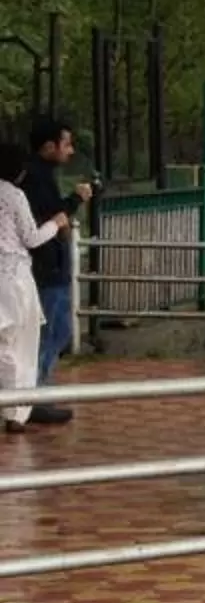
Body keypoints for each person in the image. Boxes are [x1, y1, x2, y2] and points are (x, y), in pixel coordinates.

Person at [0, 138, 73, 434]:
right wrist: (56, 223)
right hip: (15, 276)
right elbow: (31, 238)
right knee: (23, 344)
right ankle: (17, 411)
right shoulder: (14, 195)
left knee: (4, 343)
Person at [20, 119, 89, 424]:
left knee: (54, 329)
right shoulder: (35, 179)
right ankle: (34, 394)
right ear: (49, 146)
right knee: (52, 330)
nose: (71, 150)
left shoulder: (39, 176)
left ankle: (36, 390)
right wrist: (76, 199)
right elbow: (53, 218)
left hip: (47, 264)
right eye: (67, 144)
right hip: (45, 267)